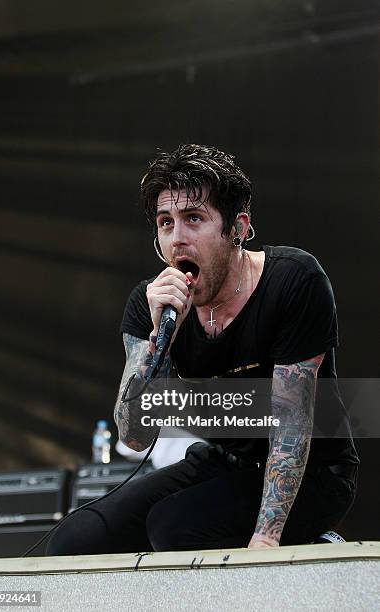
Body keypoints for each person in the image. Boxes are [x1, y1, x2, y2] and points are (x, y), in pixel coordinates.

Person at [47, 143, 358, 555]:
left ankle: (316, 541)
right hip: (227, 460)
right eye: (165, 222)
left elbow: (291, 425)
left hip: (315, 472)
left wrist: (267, 539)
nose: (178, 238)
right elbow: (135, 437)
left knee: (175, 528)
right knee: (73, 540)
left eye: (194, 219)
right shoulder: (151, 305)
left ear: (238, 229)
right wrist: (161, 338)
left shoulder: (294, 281)